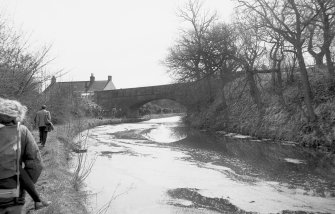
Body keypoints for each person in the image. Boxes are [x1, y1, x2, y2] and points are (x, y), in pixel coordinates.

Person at [0, 98, 50, 213]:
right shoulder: (21, 131)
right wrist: (24, 186)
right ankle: (38, 200)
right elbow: (36, 164)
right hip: (12, 195)